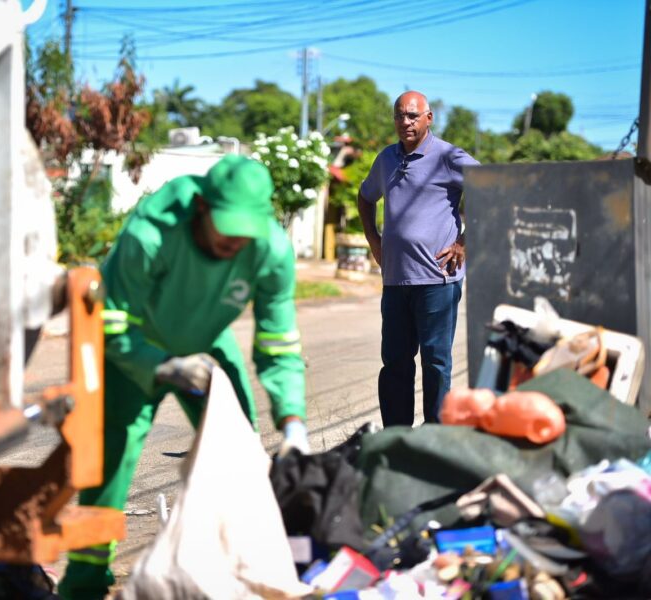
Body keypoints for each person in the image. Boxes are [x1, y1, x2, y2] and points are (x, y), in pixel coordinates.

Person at [58, 154, 309, 600]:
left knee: (239, 457)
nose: (235, 241)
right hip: (136, 350)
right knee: (109, 467)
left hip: (207, 344)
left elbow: (279, 343)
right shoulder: (150, 232)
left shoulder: (270, 250)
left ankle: (242, 575)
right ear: (201, 209)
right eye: (226, 228)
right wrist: (159, 366)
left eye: (245, 232)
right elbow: (111, 321)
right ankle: (83, 586)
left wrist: (293, 422)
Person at [357, 91, 479, 427]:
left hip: (438, 280)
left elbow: (491, 188)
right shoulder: (386, 159)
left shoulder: (448, 156)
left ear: (428, 118)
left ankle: (435, 439)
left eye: (412, 116)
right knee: (395, 362)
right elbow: (366, 197)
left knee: (436, 363)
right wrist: (374, 239)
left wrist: (464, 242)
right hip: (396, 279)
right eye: (399, 115)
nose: (405, 122)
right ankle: (398, 438)